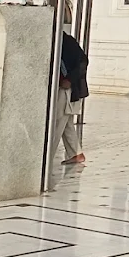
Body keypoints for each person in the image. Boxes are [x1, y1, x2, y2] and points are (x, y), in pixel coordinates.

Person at [55, 30, 89, 166]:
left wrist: (69, 79)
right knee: (66, 123)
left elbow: (83, 62)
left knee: (57, 122)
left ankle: (46, 158)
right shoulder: (57, 40)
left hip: (68, 89)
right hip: (63, 88)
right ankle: (76, 153)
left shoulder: (66, 42)